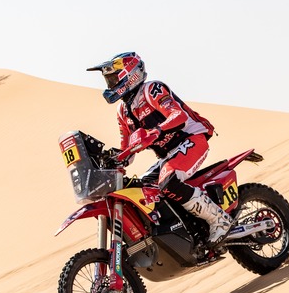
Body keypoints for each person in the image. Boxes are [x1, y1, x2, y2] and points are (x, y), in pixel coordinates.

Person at [87, 52, 232, 245]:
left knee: (168, 181)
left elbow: (178, 116)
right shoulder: (123, 111)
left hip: (191, 140)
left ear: (130, 75)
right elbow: (127, 151)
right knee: (144, 188)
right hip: (168, 156)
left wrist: (156, 131)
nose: (110, 84)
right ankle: (187, 230)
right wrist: (110, 158)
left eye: (113, 78)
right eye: (108, 80)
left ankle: (219, 220)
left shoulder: (152, 89)